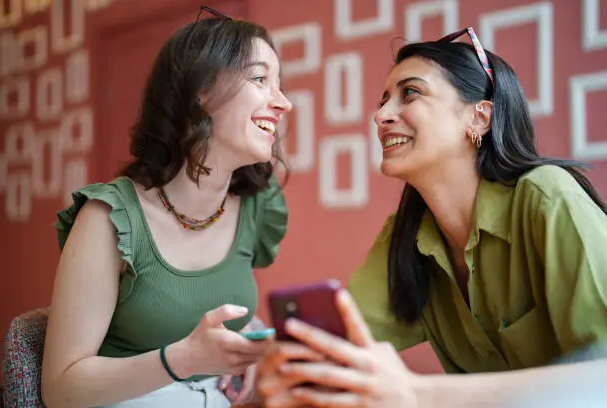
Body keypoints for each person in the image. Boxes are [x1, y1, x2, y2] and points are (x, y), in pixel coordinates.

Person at [255, 27, 607, 407]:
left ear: (479, 117)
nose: (381, 115)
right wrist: (274, 367)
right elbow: (338, 348)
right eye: (384, 100)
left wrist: (416, 393)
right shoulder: (407, 238)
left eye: (411, 93)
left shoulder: (548, 197)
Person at [40, 6, 292, 408]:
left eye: (280, 85)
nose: (283, 103)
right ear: (201, 90)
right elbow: (59, 390)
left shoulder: (257, 208)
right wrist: (181, 359)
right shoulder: (110, 218)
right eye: (261, 79)